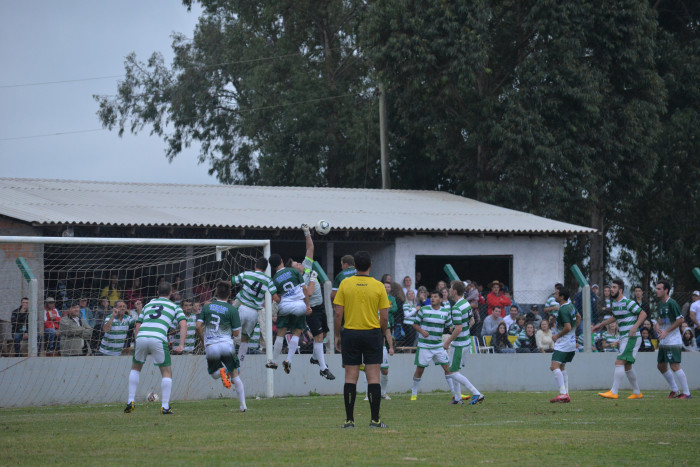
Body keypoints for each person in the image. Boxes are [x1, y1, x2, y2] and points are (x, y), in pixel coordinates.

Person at [333, 250, 390, 429]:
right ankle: (375, 420)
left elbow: (337, 312)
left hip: (350, 333)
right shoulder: (379, 286)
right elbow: (385, 317)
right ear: (370, 266)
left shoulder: (345, 283)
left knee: (351, 377)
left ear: (354, 266)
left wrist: (336, 335)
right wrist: (381, 333)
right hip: (372, 333)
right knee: (374, 377)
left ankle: (349, 421)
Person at [410, 290, 483, 405]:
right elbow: (415, 324)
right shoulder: (424, 310)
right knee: (420, 369)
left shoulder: (445, 312)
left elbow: (450, 326)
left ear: (440, 299)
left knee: (449, 369)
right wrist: (422, 331)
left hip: (438, 345)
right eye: (432, 296)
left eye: (435, 297)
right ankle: (414, 393)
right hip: (424, 344)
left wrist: (453, 331)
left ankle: (455, 395)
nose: (432, 298)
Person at [124, 281, 187, 415]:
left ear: (157, 293)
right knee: (166, 372)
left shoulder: (148, 304)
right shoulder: (174, 306)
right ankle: (165, 406)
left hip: (141, 336)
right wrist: (181, 345)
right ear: (171, 293)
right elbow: (183, 324)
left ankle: (130, 401)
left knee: (135, 368)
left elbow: (138, 324)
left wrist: (138, 342)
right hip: (158, 337)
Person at [196, 280, 247, 412]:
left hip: (211, 345)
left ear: (216, 292)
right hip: (226, 345)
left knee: (214, 374)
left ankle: (222, 370)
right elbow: (236, 333)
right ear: (229, 293)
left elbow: (197, 327)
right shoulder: (232, 309)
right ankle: (243, 405)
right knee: (235, 374)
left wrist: (203, 341)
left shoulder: (207, 307)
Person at [293, 224, 335, 380]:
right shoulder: (298, 280)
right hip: (310, 309)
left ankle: (315, 358)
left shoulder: (307, 266)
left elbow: (310, 248)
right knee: (318, 337)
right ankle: (323, 368)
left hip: (320, 306)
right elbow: (308, 293)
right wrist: (311, 279)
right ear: (293, 271)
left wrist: (307, 233)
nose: (299, 263)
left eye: (299, 262)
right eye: (296, 264)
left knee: (322, 334)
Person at [593, 279, 647, 399]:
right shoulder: (616, 304)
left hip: (631, 337)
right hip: (625, 337)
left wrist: (635, 326)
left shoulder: (628, 302)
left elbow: (643, 314)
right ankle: (637, 393)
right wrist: (601, 325)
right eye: (611, 287)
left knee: (619, 362)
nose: (611, 289)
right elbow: (614, 317)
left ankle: (614, 391)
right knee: (627, 366)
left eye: (614, 287)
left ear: (620, 290)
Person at [268, 253, 310, 374]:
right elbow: (304, 289)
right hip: (299, 305)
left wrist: (284, 302)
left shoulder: (273, 279)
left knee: (280, 334)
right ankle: (288, 360)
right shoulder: (294, 271)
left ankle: (273, 361)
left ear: (272, 266)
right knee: (297, 332)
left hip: (285, 306)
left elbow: (275, 298)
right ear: (282, 260)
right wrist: (307, 306)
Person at [232, 257, 280, 361]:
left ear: (255, 266)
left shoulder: (247, 274)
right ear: (265, 269)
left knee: (231, 333)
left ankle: (227, 358)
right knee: (245, 339)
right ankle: (239, 362)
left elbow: (233, 281)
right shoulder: (268, 280)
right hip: (254, 313)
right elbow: (276, 297)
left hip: (242, 308)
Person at [447, 280, 483, 404]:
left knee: (451, 372)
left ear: (455, 291)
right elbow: (471, 321)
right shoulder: (466, 304)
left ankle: (476, 393)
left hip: (459, 344)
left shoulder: (456, 307)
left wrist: (447, 341)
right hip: (465, 342)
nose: (449, 290)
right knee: (454, 370)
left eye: (451, 288)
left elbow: (459, 328)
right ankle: (457, 398)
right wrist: (461, 329)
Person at [653, 280, 691, 399]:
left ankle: (687, 393)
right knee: (661, 366)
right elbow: (660, 318)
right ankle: (675, 390)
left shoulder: (672, 303)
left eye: (659, 289)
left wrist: (666, 331)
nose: (656, 291)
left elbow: (680, 320)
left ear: (666, 290)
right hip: (664, 340)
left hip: (673, 340)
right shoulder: (661, 304)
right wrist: (657, 325)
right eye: (656, 288)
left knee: (675, 366)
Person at [549, 287, 580, 403]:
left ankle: (562, 393)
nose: (554, 296)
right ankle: (566, 394)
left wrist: (557, 336)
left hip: (563, 343)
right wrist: (573, 332)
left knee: (554, 366)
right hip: (571, 342)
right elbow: (578, 317)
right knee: (561, 367)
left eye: (556, 294)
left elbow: (567, 327)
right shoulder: (570, 305)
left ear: (561, 297)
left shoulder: (562, 310)